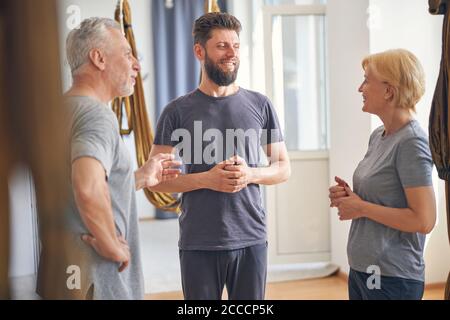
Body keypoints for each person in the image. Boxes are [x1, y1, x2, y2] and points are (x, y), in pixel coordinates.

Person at [149, 12, 291, 300]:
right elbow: (156, 182)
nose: (232, 54)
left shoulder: (260, 105)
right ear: (199, 51)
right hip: (198, 241)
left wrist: (251, 173)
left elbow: (283, 167)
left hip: (251, 239)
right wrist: (207, 179)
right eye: (222, 46)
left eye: (236, 46)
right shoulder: (176, 112)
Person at [36, 17, 180, 300]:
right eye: (127, 54)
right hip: (96, 281)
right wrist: (110, 244)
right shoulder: (96, 116)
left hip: (62, 274)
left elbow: (79, 186)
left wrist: (138, 177)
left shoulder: (61, 110)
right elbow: (87, 186)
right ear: (99, 58)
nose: (136, 64)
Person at [329, 49, 436, 300]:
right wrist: (352, 199)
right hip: (362, 270)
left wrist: (361, 208)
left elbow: (424, 220)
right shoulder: (379, 135)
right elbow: (383, 197)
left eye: (367, 80)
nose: (360, 88)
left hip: (392, 278)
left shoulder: (411, 142)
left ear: (389, 91)